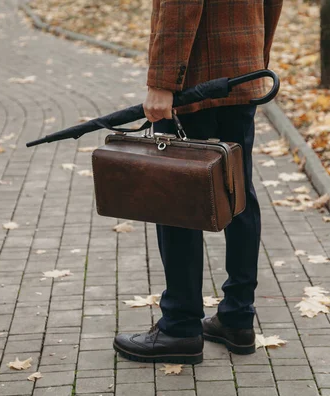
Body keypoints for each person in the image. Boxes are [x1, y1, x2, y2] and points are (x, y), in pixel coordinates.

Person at [113, 0, 283, 365]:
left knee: (176, 197)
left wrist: (162, 82)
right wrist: (256, 58)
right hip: (241, 69)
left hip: (194, 77)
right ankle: (237, 318)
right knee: (237, 192)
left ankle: (179, 327)